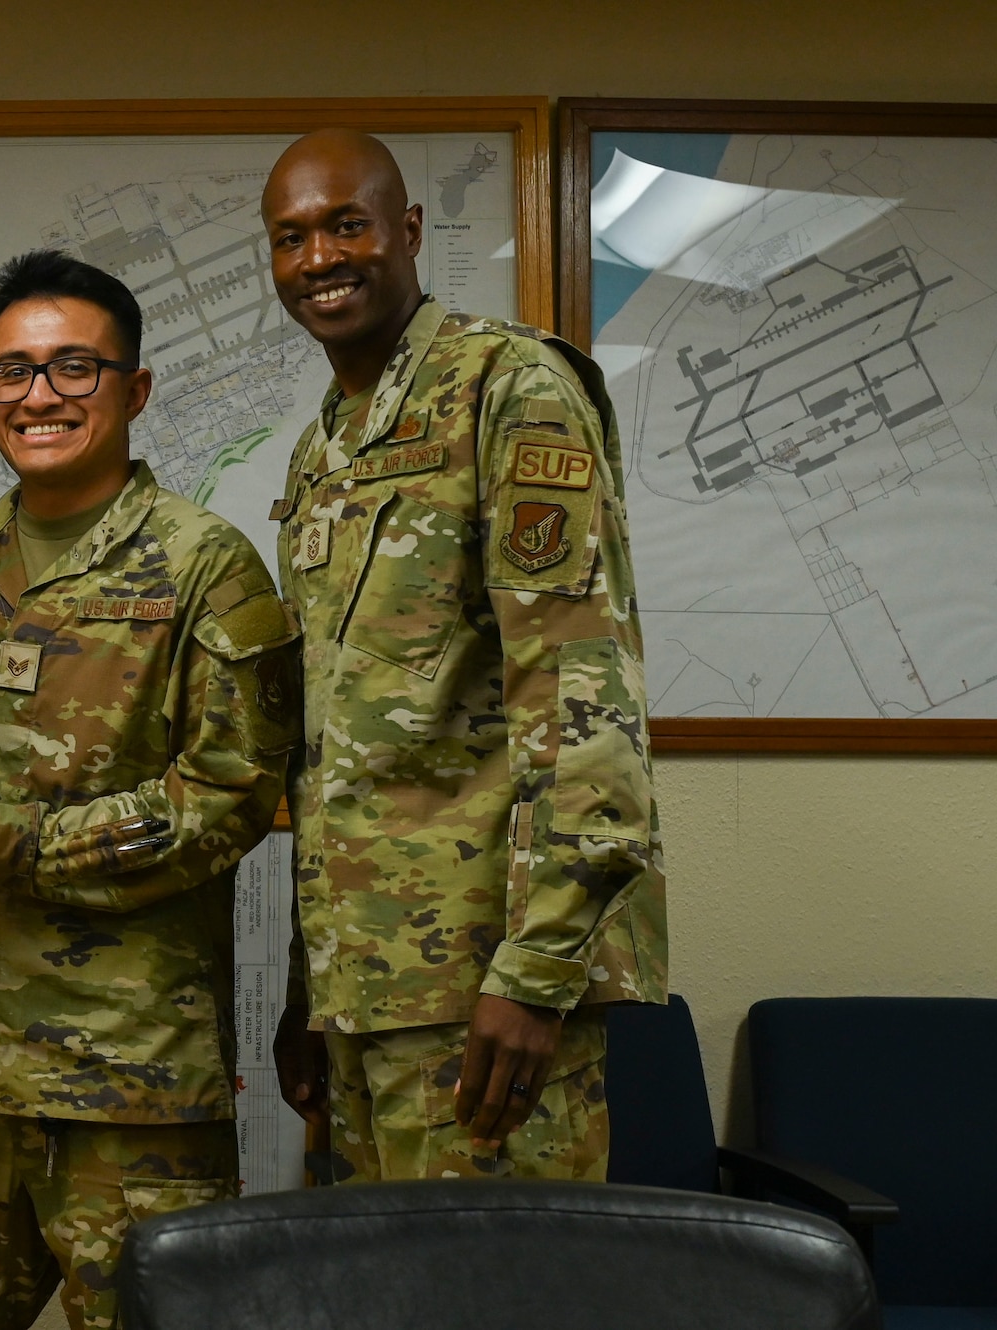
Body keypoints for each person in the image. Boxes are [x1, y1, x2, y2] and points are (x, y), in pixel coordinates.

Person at [0, 250, 300, 1330]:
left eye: (71, 368)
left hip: (129, 1086)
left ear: (134, 389)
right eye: (10, 372)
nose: (38, 395)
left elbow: (228, 800)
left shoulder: (209, 568)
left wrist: (24, 844)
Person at [262, 130, 666, 1183]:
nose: (318, 258)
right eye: (290, 237)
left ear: (404, 232)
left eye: (345, 224)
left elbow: (581, 691)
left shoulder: (507, 386)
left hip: (483, 991)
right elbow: (334, 747)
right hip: (368, 986)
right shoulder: (325, 448)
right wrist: (311, 990)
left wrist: (534, 972)